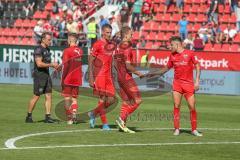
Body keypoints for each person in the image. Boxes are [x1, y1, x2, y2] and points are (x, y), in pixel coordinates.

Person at [147, 36, 202, 136]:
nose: (170, 47)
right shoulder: (172, 55)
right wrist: (154, 73)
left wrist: (197, 81)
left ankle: (194, 130)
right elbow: (166, 68)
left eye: (171, 45)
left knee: (192, 106)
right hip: (177, 84)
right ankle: (176, 129)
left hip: (189, 84)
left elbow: (198, 66)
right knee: (176, 106)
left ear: (177, 44)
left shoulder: (190, 53)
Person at [114, 26, 145, 133]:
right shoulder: (127, 48)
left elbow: (114, 63)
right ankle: (121, 118)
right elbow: (128, 66)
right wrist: (138, 73)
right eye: (131, 34)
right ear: (126, 35)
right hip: (126, 77)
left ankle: (122, 125)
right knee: (137, 100)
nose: (132, 36)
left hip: (120, 77)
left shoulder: (118, 47)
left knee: (126, 101)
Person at [25, 32, 59, 123]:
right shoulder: (38, 49)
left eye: (50, 39)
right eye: (49, 39)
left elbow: (47, 63)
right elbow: (39, 64)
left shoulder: (47, 49)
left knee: (49, 95)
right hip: (39, 76)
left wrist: (54, 66)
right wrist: (51, 64)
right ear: (43, 40)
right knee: (36, 96)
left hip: (46, 75)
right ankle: (29, 116)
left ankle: (48, 117)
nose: (50, 41)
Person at [88, 24, 117, 130]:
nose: (109, 34)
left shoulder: (112, 45)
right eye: (107, 32)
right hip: (99, 75)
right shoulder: (97, 44)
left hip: (109, 76)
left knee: (112, 99)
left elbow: (112, 60)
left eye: (110, 32)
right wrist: (91, 77)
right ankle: (105, 124)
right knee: (102, 98)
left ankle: (93, 113)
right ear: (102, 33)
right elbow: (90, 60)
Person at [61, 33, 83, 124]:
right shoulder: (80, 51)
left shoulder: (67, 51)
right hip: (77, 78)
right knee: (74, 98)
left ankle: (69, 119)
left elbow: (66, 65)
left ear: (69, 40)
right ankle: (74, 114)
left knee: (67, 98)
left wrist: (63, 78)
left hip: (68, 78)